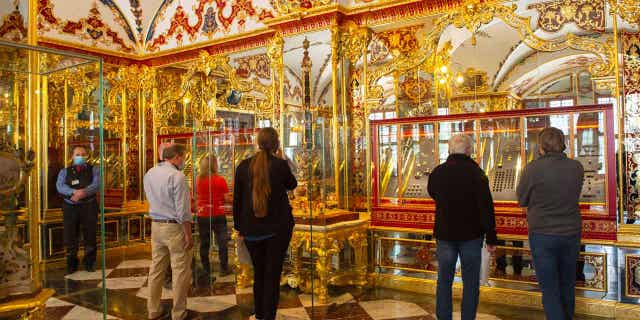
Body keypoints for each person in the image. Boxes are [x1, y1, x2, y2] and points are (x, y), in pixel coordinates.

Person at [427, 134, 498, 320]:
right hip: (471, 236)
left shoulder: (438, 172)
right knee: (471, 282)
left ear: (450, 150)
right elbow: (486, 207)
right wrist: (491, 237)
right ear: (469, 150)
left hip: (445, 234)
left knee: (444, 280)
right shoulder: (477, 174)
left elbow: (432, 192)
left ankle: (444, 317)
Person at [516, 127, 584, 320]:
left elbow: (522, 199)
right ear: (563, 144)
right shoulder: (576, 167)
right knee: (567, 285)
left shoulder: (532, 168)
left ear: (541, 147)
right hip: (571, 232)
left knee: (549, 288)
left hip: (542, 234)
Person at [233, 127, 297, 320]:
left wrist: (239, 228)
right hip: (277, 230)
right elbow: (292, 184)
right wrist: (282, 158)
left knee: (259, 273)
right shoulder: (279, 165)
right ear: (276, 144)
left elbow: (237, 200)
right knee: (272, 275)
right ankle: (268, 316)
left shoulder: (243, 166)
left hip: (251, 230)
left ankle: (260, 313)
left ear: (257, 143)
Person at [144, 144, 193, 320]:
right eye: (184, 157)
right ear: (177, 157)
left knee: (156, 269)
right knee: (180, 270)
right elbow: (183, 210)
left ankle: (153, 309)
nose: (185, 161)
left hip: (156, 226)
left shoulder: (150, 173)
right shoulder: (177, 176)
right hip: (174, 227)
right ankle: (179, 313)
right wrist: (188, 233)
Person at [56, 145, 100, 274]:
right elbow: (60, 186)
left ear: (86, 156)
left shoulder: (94, 169)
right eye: (77, 154)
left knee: (90, 235)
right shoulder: (64, 171)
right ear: (72, 157)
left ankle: (89, 263)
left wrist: (83, 193)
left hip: (89, 206)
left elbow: (97, 184)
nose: (80, 157)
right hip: (70, 206)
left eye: (83, 154)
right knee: (70, 236)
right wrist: (74, 192)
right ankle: (71, 264)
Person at [196, 154, 232, 282]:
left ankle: (206, 269)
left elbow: (196, 196)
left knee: (204, 243)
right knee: (222, 242)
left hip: (203, 214)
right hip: (218, 213)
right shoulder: (220, 180)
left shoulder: (198, 180)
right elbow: (227, 198)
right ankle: (223, 268)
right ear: (214, 165)